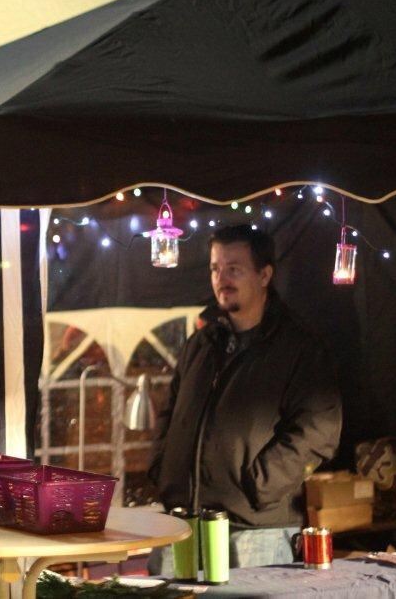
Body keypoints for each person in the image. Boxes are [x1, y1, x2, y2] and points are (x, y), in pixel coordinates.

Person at [148, 224, 342, 571]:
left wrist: (259, 486)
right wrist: (163, 470)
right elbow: (169, 412)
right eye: (215, 268)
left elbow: (319, 428)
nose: (222, 278)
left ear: (264, 274)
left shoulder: (298, 348)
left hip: (254, 531)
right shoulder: (201, 345)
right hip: (182, 523)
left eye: (234, 269)